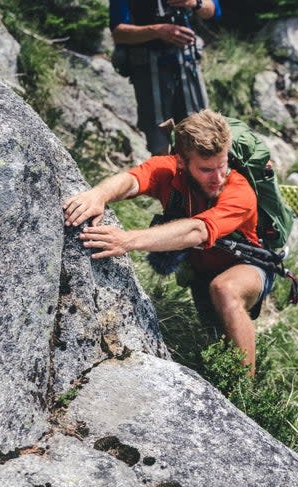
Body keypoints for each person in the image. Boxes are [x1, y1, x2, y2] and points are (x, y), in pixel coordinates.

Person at [63, 110, 273, 373]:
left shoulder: (239, 191)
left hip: (249, 265)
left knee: (225, 290)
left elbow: (198, 230)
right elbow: (132, 180)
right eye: (207, 169)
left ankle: (245, 394)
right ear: (182, 162)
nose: (218, 178)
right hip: (202, 272)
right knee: (217, 340)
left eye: (223, 165)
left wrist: (127, 241)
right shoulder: (169, 170)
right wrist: (99, 195)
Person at [109, 0, 221, 155]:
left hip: (187, 65)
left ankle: (198, 175)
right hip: (149, 70)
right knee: (159, 139)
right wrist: (158, 31)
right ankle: (166, 175)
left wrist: (195, 3)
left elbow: (214, 11)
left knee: (201, 130)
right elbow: (119, 33)